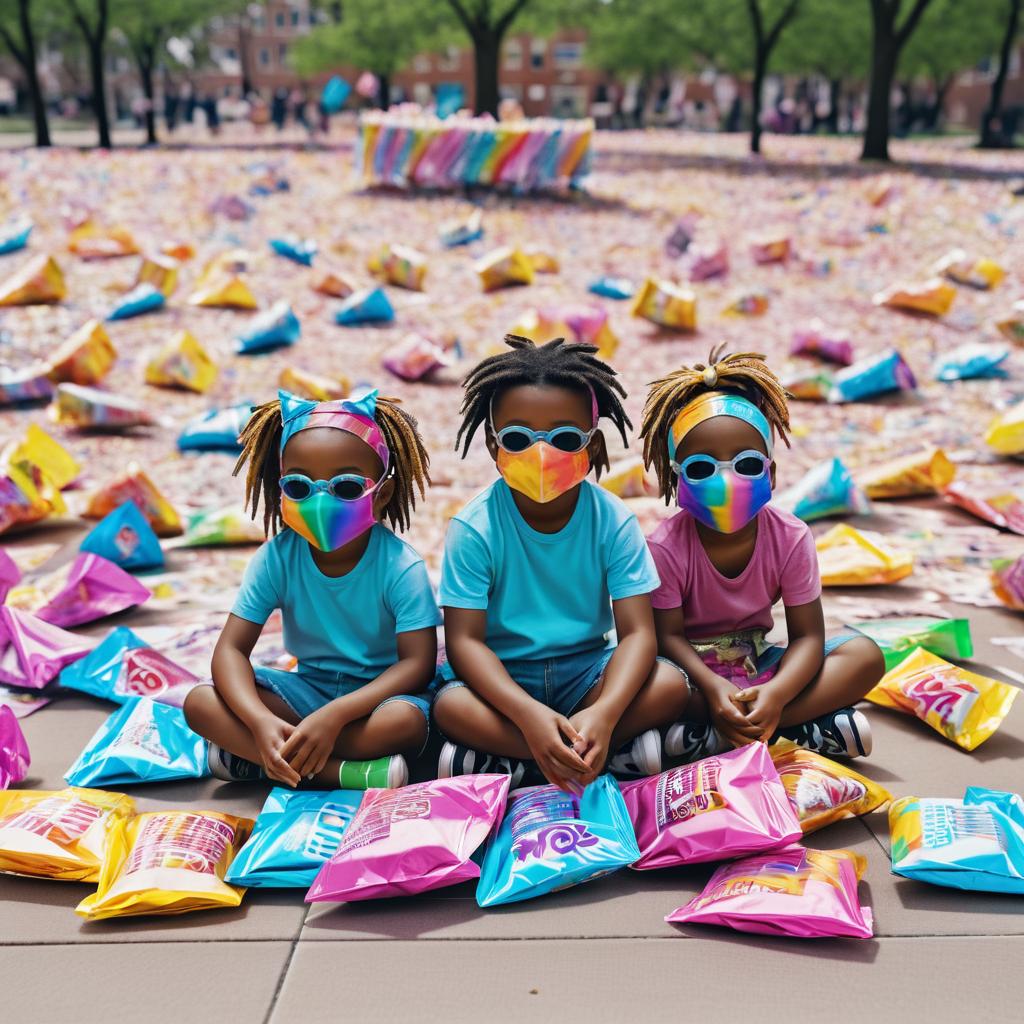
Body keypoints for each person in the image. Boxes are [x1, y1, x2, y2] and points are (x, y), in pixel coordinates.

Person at [434, 335, 696, 792]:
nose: (541, 454)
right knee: (449, 706)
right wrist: (527, 713)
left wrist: (606, 710)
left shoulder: (612, 519)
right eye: (517, 438)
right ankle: (589, 752)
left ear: (593, 447)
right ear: (494, 447)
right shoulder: (474, 528)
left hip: (587, 672)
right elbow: (466, 644)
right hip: (504, 678)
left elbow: (637, 633)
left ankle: (528, 758)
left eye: (565, 438)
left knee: (670, 683)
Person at [183, 389, 440, 791]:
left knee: (405, 721)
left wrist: (335, 715)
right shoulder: (276, 558)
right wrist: (259, 719)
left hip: (375, 701)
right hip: (305, 691)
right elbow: (231, 650)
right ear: (280, 490)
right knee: (200, 702)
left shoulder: (400, 566)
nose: (321, 503)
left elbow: (416, 666)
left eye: (347, 487)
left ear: (383, 494)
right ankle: (335, 772)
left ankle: (262, 758)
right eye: (300, 487)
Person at [639, 348, 885, 761]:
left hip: (759, 664)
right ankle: (792, 728)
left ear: (771, 474)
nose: (727, 480)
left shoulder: (790, 537)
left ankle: (732, 730)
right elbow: (668, 638)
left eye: (746, 464)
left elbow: (808, 637)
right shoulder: (665, 547)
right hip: (691, 678)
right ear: (677, 480)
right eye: (701, 468)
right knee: (654, 685)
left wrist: (776, 692)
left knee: (864, 656)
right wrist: (714, 688)